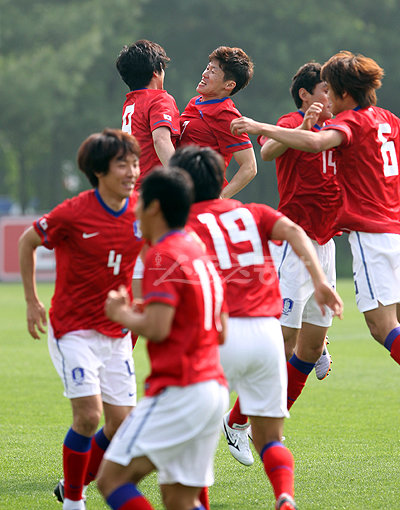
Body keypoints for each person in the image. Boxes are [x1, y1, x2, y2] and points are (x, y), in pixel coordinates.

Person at [231, 50, 400, 389]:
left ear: (343, 94)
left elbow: (317, 143)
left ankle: (244, 410)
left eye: (331, 90)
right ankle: (242, 419)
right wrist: (391, 180)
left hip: (372, 237)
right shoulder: (388, 119)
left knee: (383, 327)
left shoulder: (348, 122)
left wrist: (257, 125)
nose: (328, 98)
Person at [170, 145, 343, 510]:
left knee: (190, 444)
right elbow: (295, 233)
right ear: (219, 181)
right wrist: (320, 280)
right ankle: (284, 497)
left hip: (219, 338)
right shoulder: (253, 213)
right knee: (272, 439)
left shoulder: (181, 224)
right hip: (266, 338)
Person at [19, 129, 143, 510]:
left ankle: (71, 484)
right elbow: (28, 241)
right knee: (89, 416)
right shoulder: (72, 213)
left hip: (116, 330)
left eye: (135, 163)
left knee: (121, 423)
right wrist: (31, 301)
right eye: (122, 164)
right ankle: (74, 501)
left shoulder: (142, 209)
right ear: (99, 172)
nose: (133, 171)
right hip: (73, 329)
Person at [96, 167, 229, 510]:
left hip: (179, 389)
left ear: (153, 207)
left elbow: (157, 328)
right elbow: (220, 327)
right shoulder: (199, 251)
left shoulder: (160, 255)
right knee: (179, 500)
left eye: (139, 201)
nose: (135, 209)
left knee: (111, 479)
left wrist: (121, 315)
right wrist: (142, 306)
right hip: (212, 389)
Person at [260, 62, 342, 408]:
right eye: (325, 89)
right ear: (305, 94)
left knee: (308, 343)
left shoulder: (338, 128)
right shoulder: (289, 122)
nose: (330, 95)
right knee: (285, 340)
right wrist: (305, 127)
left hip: (327, 241)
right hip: (296, 239)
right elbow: (266, 151)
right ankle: (251, 415)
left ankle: (275, 414)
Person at [116, 38, 181, 299]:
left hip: (131, 199)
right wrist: (183, 180)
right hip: (155, 200)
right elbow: (161, 140)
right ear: (156, 72)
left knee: (135, 288)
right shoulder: (160, 99)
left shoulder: (131, 103)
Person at [179, 46, 257, 198]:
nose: (204, 74)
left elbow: (250, 167)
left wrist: (220, 198)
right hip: (181, 190)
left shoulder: (225, 113)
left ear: (229, 85)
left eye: (213, 72)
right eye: (207, 68)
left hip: (202, 197)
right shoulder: (195, 102)